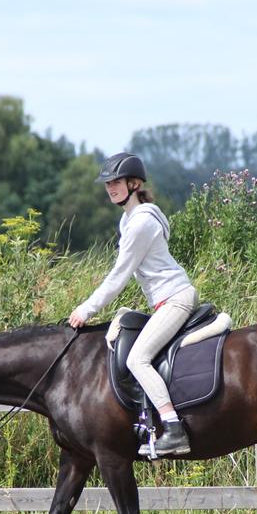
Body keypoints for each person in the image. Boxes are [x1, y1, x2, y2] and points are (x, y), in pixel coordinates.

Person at [68, 152, 199, 456]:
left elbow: (119, 276)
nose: (110, 188)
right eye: (107, 184)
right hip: (165, 301)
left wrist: (86, 309)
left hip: (174, 299)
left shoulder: (141, 223)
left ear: (134, 183)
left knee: (137, 359)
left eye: (116, 182)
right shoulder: (129, 219)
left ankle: (173, 427)